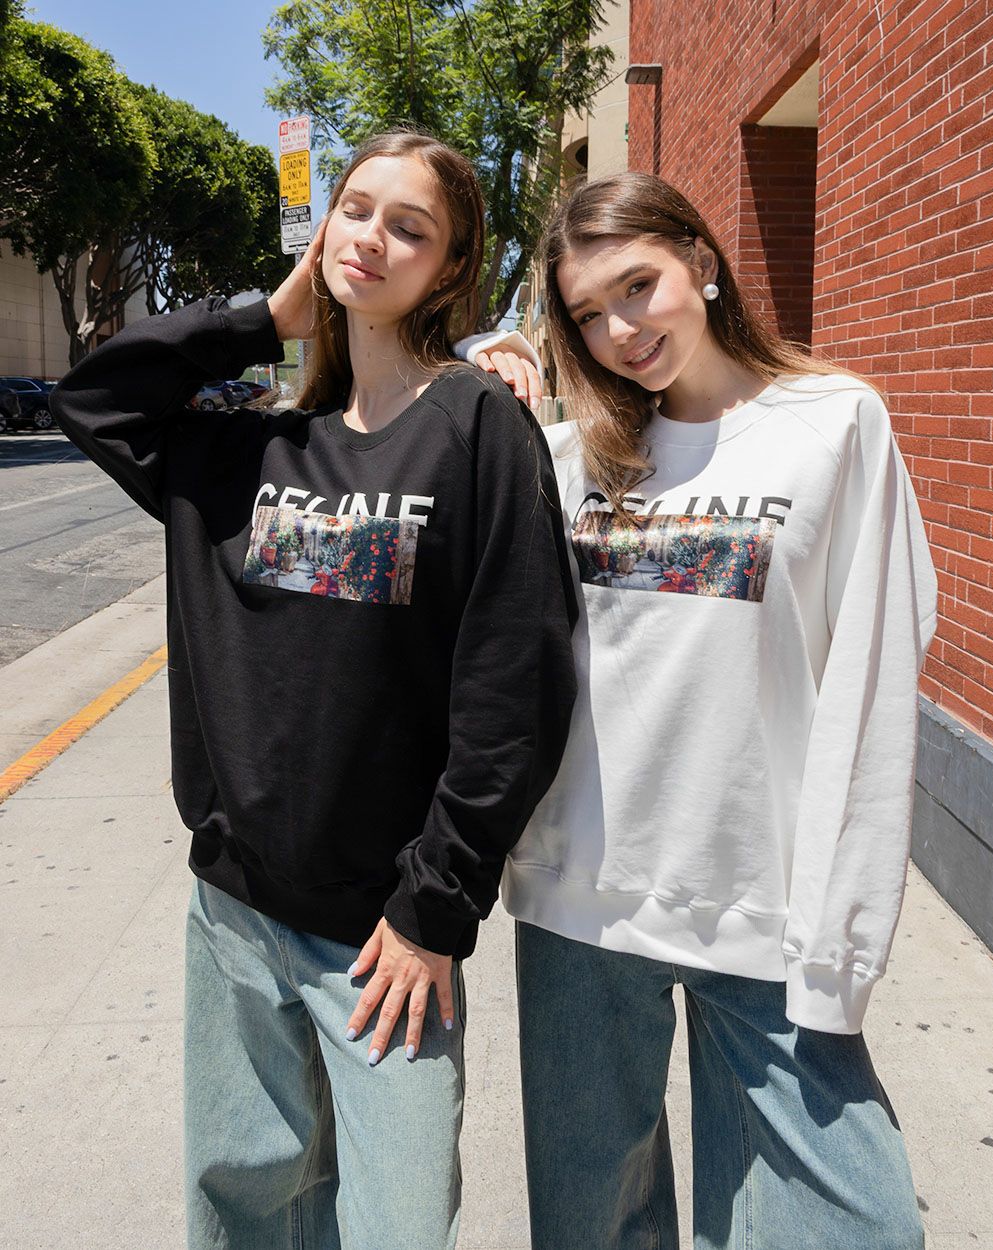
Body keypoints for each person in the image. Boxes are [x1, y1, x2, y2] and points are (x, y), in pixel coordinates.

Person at [51, 129, 577, 1250]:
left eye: (410, 227)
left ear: (450, 267)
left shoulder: (477, 428)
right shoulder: (246, 452)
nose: (372, 238)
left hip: (386, 939)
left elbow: (516, 683)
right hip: (235, 915)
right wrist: (264, 318)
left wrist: (436, 906)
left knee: (397, 1222)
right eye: (357, 208)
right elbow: (94, 401)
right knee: (243, 1210)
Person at [475, 171, 938, 1250]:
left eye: (637, 286)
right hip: (579, 904)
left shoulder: (834, 422)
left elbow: (871, 682)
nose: (620, 331)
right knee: (593, 1227)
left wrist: (842, 935)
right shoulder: (565, 456)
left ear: (701, 258)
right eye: (588, 313)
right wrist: (477, 372)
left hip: (766, 909)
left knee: (858, 1224)